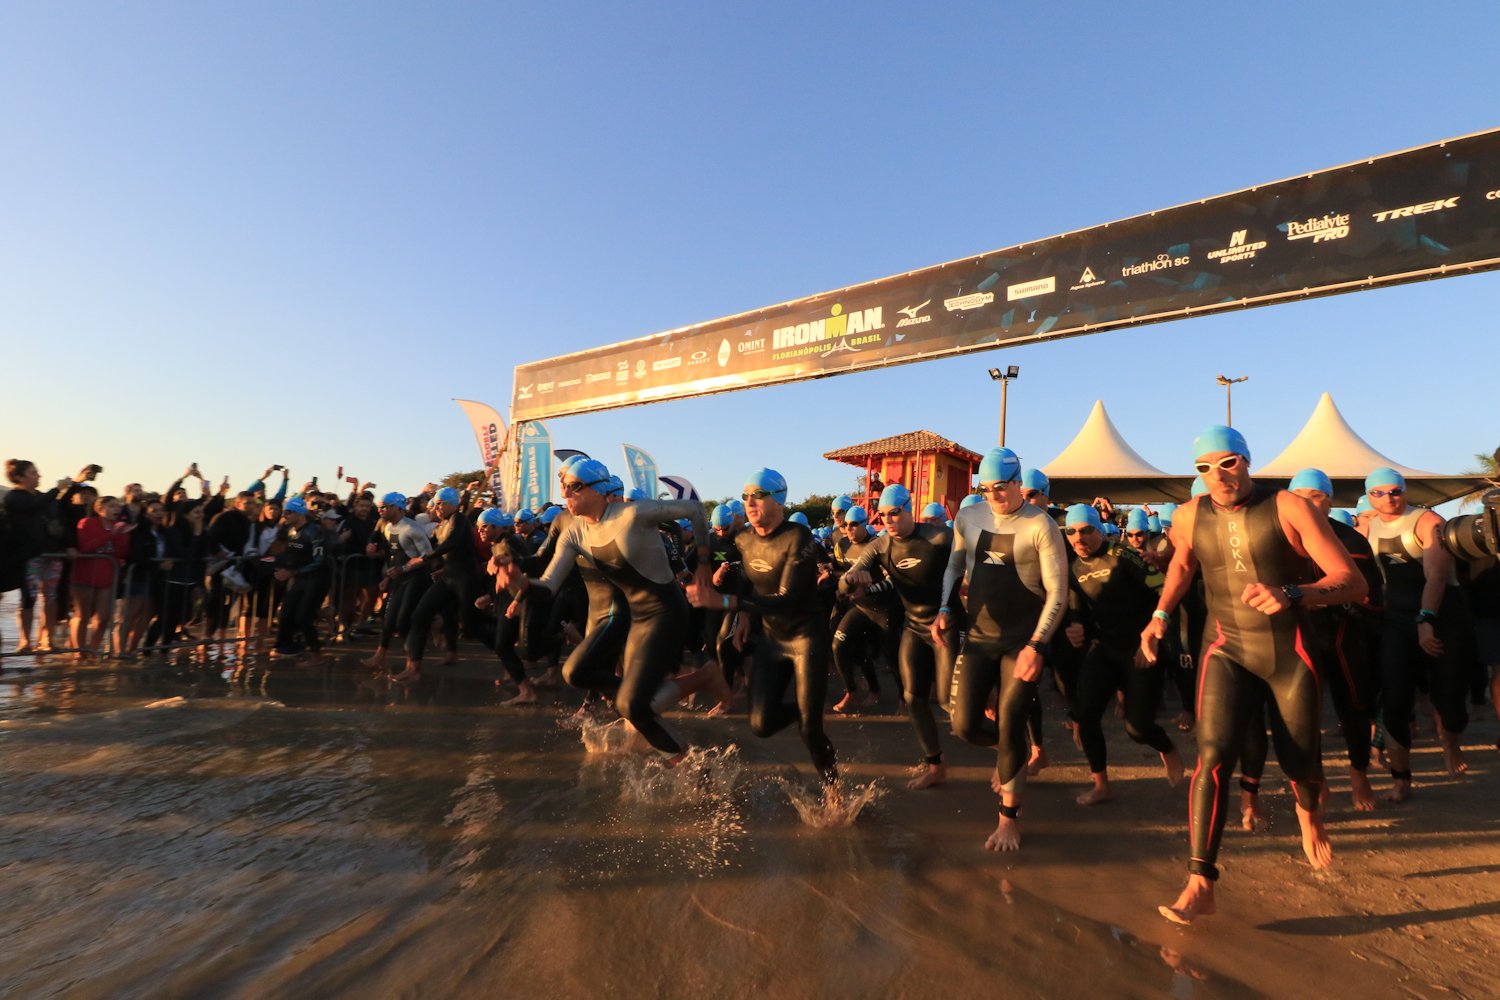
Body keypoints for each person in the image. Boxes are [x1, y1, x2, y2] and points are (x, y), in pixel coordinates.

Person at [1141, 426, 1367, 925]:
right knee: (1213, 755)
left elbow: (1352, 582)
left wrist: (1293, 593)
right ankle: (1201, 881)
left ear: (1247, 460)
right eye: (1205, 467)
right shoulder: (1187, 515)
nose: (1217, 476)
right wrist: (1158, 617)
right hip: (1225, 646)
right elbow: (1182, 564)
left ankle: (1309, 813)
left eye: (1228, 463)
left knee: (1298, 760)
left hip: (1289, 651)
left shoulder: (1290, 507)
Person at [509, 460, 713, 763]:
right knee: (576, 672)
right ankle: (659, 716)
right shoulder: (574, 532)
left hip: (666, 612)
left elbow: (696, 512)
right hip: (637, 616)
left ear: (601, 489)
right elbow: (549, 585)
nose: (565, 492)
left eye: (574, 486)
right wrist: (521, 582)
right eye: (563, 486)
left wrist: (705, 565)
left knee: (633, 705)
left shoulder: (634, 513)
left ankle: (693, 766)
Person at [937, 447, 1068, 851]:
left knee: (1011, 719)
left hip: (1021, 640)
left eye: (1001, 487)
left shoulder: (1040, 526)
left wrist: (1035, 645)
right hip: (979, 637)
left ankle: (1008, 819)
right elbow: (955, 566)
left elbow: (1058, 594)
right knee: (963, 725)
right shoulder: (969, 517)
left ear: (1017, 484)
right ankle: (1011, 752)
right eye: (986, 488)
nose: (993, 495)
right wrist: (944, 607)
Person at [688, 468, 840, 790]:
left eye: (758, 494)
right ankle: (806, 711)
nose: (749, 501)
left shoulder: (798, 538)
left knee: (810, 732)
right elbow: (748, 581)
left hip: (804, 637)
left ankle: (833, 791)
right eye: (745, 495)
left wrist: (726, 604)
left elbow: (786, 599)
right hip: (772, 637)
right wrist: (744, 618)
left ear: (778, 499)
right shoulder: (742, 539)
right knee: (760, 724)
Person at [1061, 503, 1182, 805]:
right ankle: (1101, 784)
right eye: (1072, 532)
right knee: (1085, 715)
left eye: (1086, 530)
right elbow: (1078, 610)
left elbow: (1165, 591)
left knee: (1137, 728)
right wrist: (1076, 628)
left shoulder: (1124, 556)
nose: (1079, 537)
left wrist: (1155, 636)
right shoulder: (1073, 568)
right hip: (1105, 648)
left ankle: (1166, 747)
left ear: (1100, 530)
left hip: (1140, 647)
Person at [1364, 467, 1473, 796]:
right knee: (1395, 697)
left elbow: (1436, 577)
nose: (1388, 499)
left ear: (1405, 491)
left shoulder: (1428, 522)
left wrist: (1425, 620)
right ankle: (1401, 779)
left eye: (1395, 491)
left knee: (1450, 695)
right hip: (1397, 619)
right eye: (1378, 493)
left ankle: (1450, 739)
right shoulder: (1369, 526)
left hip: (1442, 615)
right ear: (1369, 496)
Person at [844, 484, 961, 789]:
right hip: (914, 626)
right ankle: (936, 765)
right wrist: (851, 578)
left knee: (951, 704)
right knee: (914, 698)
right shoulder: (881, 546)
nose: (888, 520)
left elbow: (971, 568)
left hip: (947, 623)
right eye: (882, 516)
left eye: (895, 513)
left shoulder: (938, 537)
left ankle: (1008, 755)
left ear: (909, 508)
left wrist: (952, 607)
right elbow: (849, 577)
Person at [396, 487, 482, 683]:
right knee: (423, 614)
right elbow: (442, 548)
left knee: (473, 626)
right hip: (448, 578)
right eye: (435, 504)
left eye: (441, 503)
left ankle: (508, 658)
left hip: (466, 579)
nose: (437, 507)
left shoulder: (458, 519)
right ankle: (415, 666)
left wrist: (425, 558)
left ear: (453, 504)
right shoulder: (441, 525)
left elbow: (452, 543)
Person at [3, 460, 73, 654]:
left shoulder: (46, 498)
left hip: (52, 554)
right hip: (28, 556)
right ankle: (25, 641)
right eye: (33, 473)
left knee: (51, 597)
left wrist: (68, 544)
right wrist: (56, 490)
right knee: (29, 598)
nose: (38, 476)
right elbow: (32, 506)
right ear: (19, 477)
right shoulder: (14, 497)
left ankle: (47, 639)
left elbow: (60, 520)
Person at [361, 492, 433, 674]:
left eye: (384, 506)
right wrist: (387, 577)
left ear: (397, 508)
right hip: (399, 579)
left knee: (403, 622)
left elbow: (428, 557)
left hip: (417, 579)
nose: (380, 510)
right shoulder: (387, 528)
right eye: (380, 506)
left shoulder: (413, 529)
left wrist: (404, 569)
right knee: (388, 620)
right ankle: (380, 656)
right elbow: (393, 557)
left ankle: (413, 664)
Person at [829, 505, 889, 711]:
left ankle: (905, 699)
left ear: (865, 524)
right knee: (839, 645)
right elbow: (839, 572)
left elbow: (892, 578)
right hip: (859, 606)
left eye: (854, 524)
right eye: (846, 525)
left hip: (883, 608)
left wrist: (870, 588)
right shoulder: (842, 544)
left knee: (892, 656)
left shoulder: (878, 544)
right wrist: (838, 582)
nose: (849, 529)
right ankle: (853, 691)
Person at [271, 497, 331, 664]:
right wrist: (284, 571)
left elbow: (319, 561)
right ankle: (288, 646)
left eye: (288, 512)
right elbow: (289, 556)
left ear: (299, 512)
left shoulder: (314, 531)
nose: (285, 515)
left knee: (304, 617)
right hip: (300, 577)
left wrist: (292, 573)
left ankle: (316, 654)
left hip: (317, 579)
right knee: (286, 613)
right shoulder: (290, 531)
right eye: (284, 512)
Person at [72, 495, 133, 657]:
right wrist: (110, 534)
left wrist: (121, 536)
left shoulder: (120, 527)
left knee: (103, 619)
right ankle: (79, 653)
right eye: (112, 506)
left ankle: (91, 651)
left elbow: (122, 553)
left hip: (107, 578)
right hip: (84, 576)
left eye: (118, 506)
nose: (117, 509)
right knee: (82, 616)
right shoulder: (87, 523)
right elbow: (84, 547)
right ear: (100, 509)